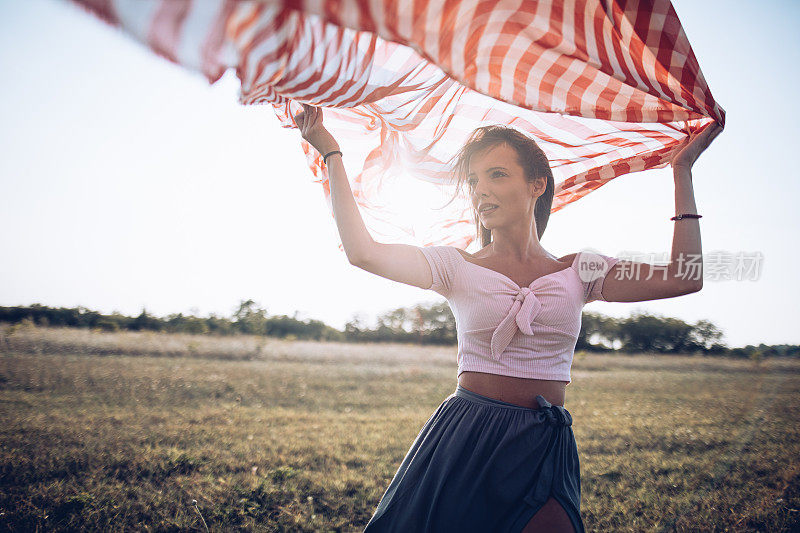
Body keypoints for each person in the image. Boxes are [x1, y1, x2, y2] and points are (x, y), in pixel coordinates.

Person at [293, 104, 723, 532]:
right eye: (474, 180)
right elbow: (363, 252)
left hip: (544, 443)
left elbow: (684, 276)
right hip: (467, 437)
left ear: (537, 184)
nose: (480, 190)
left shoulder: (580, 270)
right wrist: (331, 151)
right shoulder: (454, 266)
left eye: (496, 174)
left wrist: (681, 169)